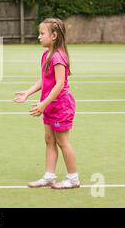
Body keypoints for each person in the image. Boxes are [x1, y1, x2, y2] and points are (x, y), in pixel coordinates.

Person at [13, 18, 79, 189]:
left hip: (61, 106)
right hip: (49, 105)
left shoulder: (58, 57)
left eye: (42, 34)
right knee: (49, 140)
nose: (39, 37)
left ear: (54, 35)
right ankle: (49, 176)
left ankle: (73, 178)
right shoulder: (46, 55)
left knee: (62, 141)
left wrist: (43, 104)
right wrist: (28, 92)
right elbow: (44, 80)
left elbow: (59, 84)